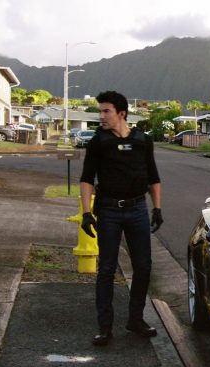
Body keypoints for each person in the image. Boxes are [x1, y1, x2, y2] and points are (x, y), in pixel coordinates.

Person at [79, 90, 164, 346]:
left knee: (144, 266)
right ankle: (105, 327)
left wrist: (157, 208)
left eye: (106, 111)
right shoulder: (98, 142)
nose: (101, 116)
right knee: (106, 269)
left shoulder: (142, 140)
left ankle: (135, 319)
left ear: (121, 113)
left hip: (137, 209)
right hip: (109, 211)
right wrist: (86, 213)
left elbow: (153, 176)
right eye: (100, 111)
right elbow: (86, 178)